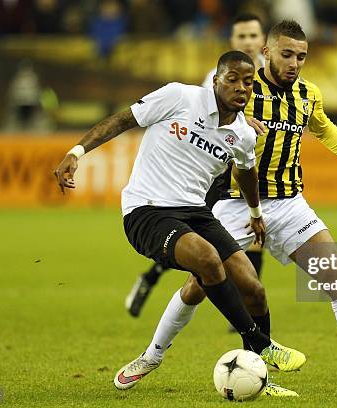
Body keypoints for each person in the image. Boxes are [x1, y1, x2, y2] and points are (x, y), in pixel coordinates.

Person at [131, 20, 337, 392]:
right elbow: (201, 115)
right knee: (199, 285)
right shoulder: (240, 93)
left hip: (289, 203)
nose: (294, 63)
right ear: (266, 53)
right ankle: (153, 355)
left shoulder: (308, 95)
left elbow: (323, 128)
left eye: (301, 56)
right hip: (235, 204)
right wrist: (233, 118)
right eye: (286, 54)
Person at [52, 50, 306, 392]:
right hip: (147, 210)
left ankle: (260, 378)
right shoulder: (179, 96)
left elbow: (246, 172)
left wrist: (256, 213)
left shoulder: (244, 134)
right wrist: (76, 152)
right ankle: (260, 343)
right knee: (207, 261)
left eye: (248, 82)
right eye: (232, 80)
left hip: (195, 213)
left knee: (253, 288)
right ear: (216, 81)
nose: (241, 88)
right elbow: (122, 120)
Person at [125, 13, 267, 319]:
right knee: (195, 241)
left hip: (251, 167)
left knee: (247, 245)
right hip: (215, 174)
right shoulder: (214, 78)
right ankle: (151, 278)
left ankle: (246, 316)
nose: (248, 42)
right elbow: (207, 114)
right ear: (232, 41)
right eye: (241, 37)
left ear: (263, 41)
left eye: (253, 36)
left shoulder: (272, 78)